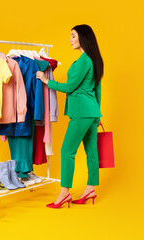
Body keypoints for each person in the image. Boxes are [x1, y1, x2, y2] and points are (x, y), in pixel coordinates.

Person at [36, 24, 104, 208]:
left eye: (73, 36)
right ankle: (90, 189)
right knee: (91, 152)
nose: (70, 39)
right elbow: (97, 89)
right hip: (91, 112)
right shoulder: (94, 59)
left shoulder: (84, 60)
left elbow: (69, 87)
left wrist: (46, 81)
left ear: (83, 37)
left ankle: (64, 193)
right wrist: (98, 115)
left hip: (81, 112)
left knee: (67, 150)